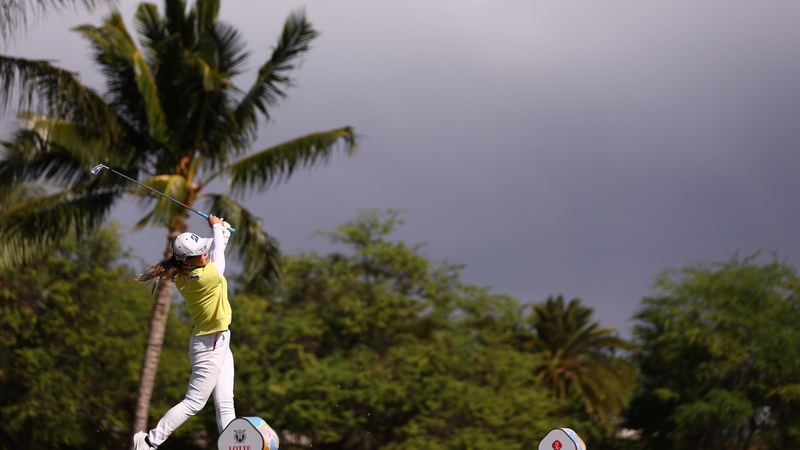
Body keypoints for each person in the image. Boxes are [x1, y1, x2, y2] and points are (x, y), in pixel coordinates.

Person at [133, 215, 235, 450]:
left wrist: (222, 233)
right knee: (194, 403)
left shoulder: (192, 268)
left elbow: (215, 250)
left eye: (204, 249)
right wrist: (217, 228)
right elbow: (218, 257)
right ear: (187, 260)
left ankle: (232, 446)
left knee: (225, 403)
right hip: (209, 345)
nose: (205, 253)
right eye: (200, 252)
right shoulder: (201, 277)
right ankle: (148, 442)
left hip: (219, 339)